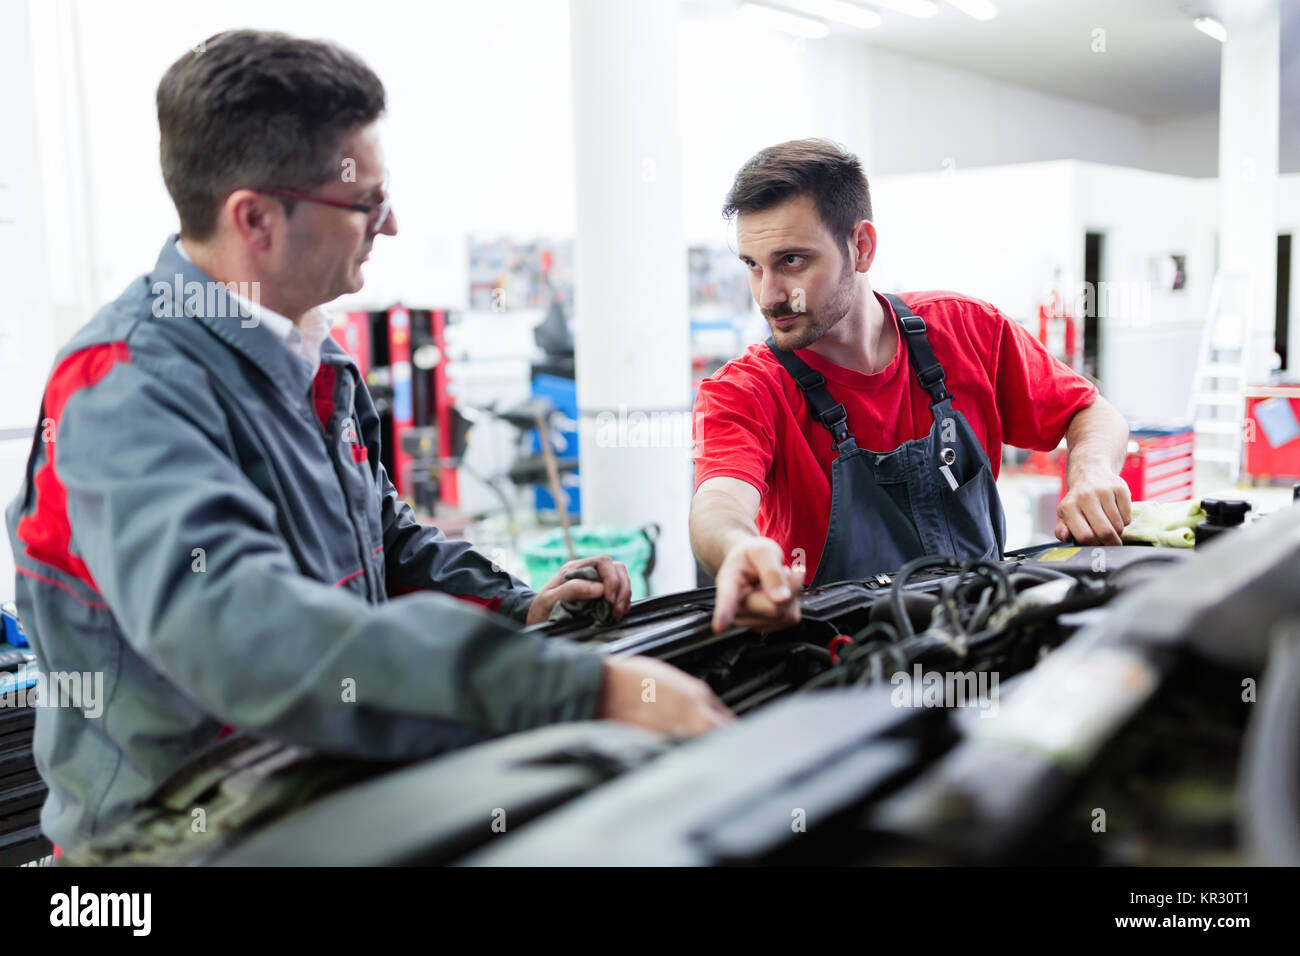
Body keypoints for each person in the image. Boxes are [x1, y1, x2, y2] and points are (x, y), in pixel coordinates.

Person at [5, 30, 730, 850]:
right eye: (364, 203)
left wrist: (516, 605)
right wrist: (573, 689)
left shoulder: (313, 357)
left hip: (321, 795)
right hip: (177, 839)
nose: (391, 224)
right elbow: (245, 634)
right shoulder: (124, 386)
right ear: (256, 219)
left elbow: (381, 539)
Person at [690, 139, 1131, 634]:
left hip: (987, 635)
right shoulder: (745, 391)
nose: (769, 295)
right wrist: (738, 548)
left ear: (861, 247)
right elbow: (719, 502)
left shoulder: (965, 330)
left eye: (792, 261)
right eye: (753, 264)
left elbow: (1092, 411)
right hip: (847, 666)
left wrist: (1091, 470)